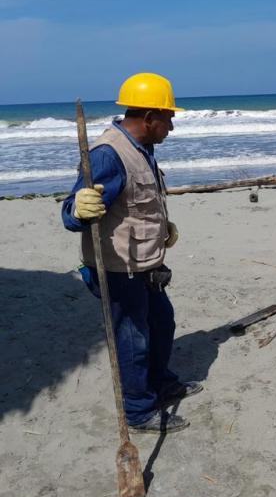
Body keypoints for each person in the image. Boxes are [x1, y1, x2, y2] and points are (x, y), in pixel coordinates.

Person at [62, 72, 201, 433]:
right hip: (118, 269)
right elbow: (73, 214)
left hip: (146, 263)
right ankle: (139, 412)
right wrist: (77, 209)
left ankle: (161, 385)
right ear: (150, 118)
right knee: (133, 339)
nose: (171, 126)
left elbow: (138, 202)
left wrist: (161, 228)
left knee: (162, 323)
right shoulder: (108, 155)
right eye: (168, 118)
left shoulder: (143, 148)